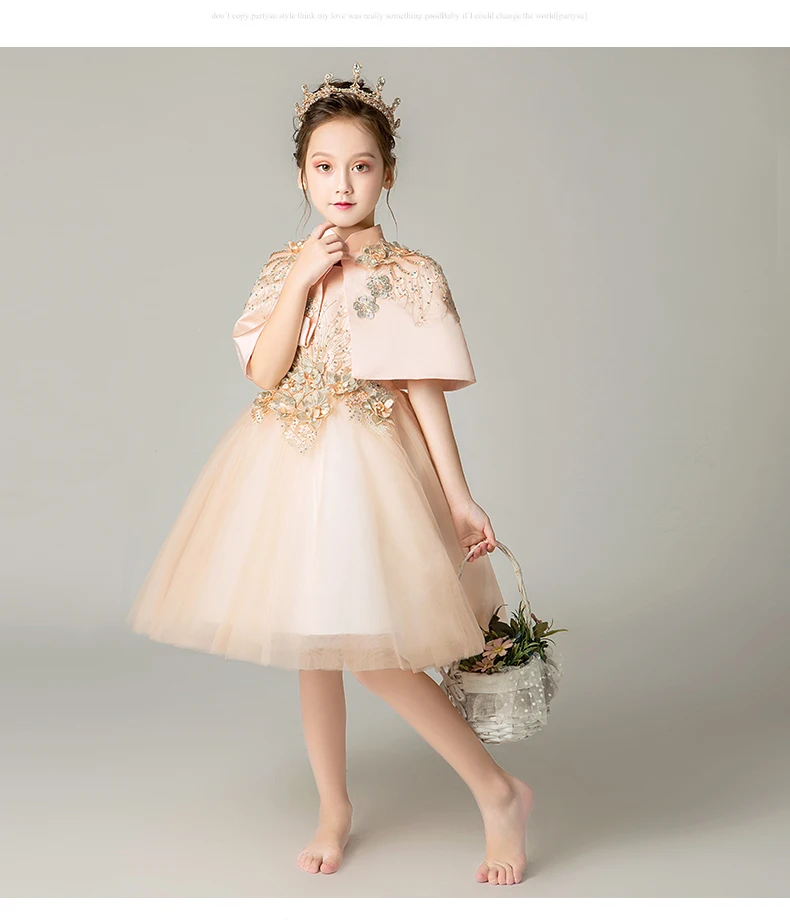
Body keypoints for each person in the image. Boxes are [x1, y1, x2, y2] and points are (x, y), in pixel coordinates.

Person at [127, 62, 533, 886]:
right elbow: (264, 372)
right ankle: (333, 809)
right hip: (287, 466)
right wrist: (304, 278)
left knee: (375, 656)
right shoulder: (287, 264)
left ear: (388, 174)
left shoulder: (410, 274)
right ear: (301, 176)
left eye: (361, 166)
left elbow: (423, 392)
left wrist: (459, 498)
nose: (342, 184)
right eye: (324, 166)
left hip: (368, 470)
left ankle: (498, 794)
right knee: (314, 647)